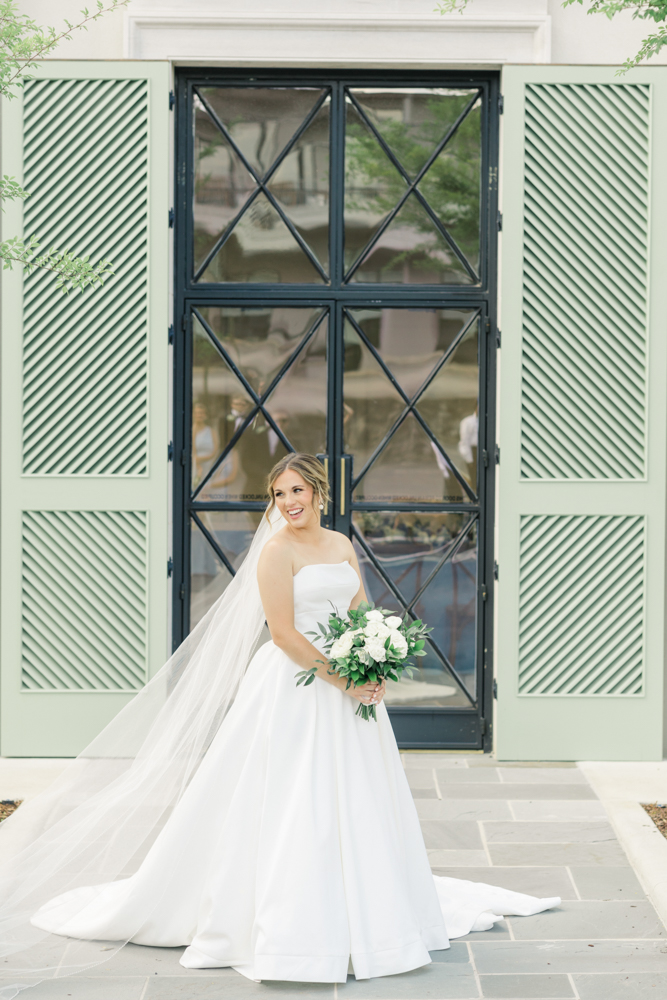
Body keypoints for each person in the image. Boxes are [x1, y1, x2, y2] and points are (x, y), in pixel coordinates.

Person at [0, 454, 559, 995]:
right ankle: (286, 920)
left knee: (360, 798)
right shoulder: (274, 552)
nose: (288, 501)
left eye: (297, 490)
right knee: (293, 798)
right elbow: (286, 634)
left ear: (319, 492)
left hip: (350, 688)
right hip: (296, 688)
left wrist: (378, 660)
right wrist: (344, 678)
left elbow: (362, 609)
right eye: (278, 493)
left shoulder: (341, 545)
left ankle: (365, 907)